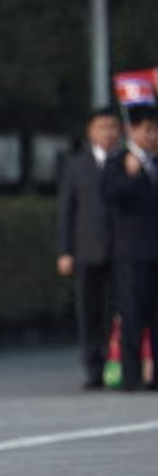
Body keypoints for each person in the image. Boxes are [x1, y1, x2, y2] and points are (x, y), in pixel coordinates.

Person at [60, 108, 121, 390]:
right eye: (101, 127)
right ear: (90, 131)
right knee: (88, 312)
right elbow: (67, 212)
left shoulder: (126, 162)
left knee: (116, 312)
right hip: (86, 250)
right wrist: (66, 251)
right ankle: (93, 368)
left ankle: (117, 364)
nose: (107, 133)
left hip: (120, 251)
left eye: (112, 127)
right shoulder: (76, 165)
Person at [101, 106, 158, 392]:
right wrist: (131, 177)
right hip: (131, 254)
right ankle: (132, 376)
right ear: (133, 131)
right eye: (147, 130)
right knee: (132, 315)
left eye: (155, 130)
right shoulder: (118, 162)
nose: (153, 136)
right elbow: (111, 197)